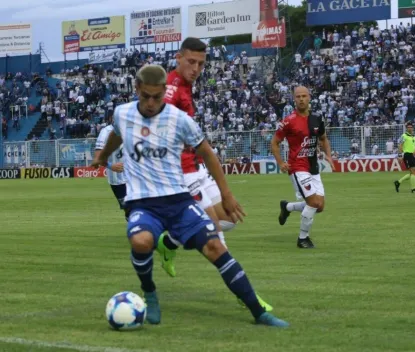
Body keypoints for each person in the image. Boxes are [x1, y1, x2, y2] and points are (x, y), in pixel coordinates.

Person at [91, 65, 288, 328]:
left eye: (157, 97)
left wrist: (227, 195)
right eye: (145, 96)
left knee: (215, 246)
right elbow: (117, 134)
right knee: (141, 241)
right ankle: (150, 293)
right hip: (142, 203)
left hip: (179, 202)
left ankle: (258, 313)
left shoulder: (179, 119)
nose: (151, 103)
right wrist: (103, 156)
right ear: (136, 89)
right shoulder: (123, 113)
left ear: (164, 92)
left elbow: (207, 153)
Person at [163, 37, 272, 311]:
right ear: (178, 58)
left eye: (201, 63)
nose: (196, 68)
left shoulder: (188, 86)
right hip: (181, 175)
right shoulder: (171, 88)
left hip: (197, 168)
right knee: (215, 239)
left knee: (230, 220)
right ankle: (245, 295)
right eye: (191, 62)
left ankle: (169, 241)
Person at [271, 86, 335, 249]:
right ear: (294, 99)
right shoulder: (288, 121)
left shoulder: (316, 119)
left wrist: (328, 155)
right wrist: (280, 163)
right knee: (313, 202)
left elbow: (323, 138)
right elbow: (275, 143)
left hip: (313, 167)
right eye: (298, 96)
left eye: (304, 96)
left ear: (309, 97)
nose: (301, 99)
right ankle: (302, 239)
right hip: (297, 167)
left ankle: (287, 207)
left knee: (319, 206)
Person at [94, 124, 128, 218]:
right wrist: (110, 166)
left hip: (135, 177)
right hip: (118, 181)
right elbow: (97, 158)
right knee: (129, 211)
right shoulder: (106, 132)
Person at [394, 122, 415, 194]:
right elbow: (400, 146)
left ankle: (398, 182)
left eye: (411, 127)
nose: (410, 128)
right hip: (407, 155)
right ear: (406, 128)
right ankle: (413, 189)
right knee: (414, 172)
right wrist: (400, 156)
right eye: (408, 127)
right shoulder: (404, 136)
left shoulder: (414, 136)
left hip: (412, 155)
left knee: (412, 173)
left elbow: (414, 146)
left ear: (412, 128)